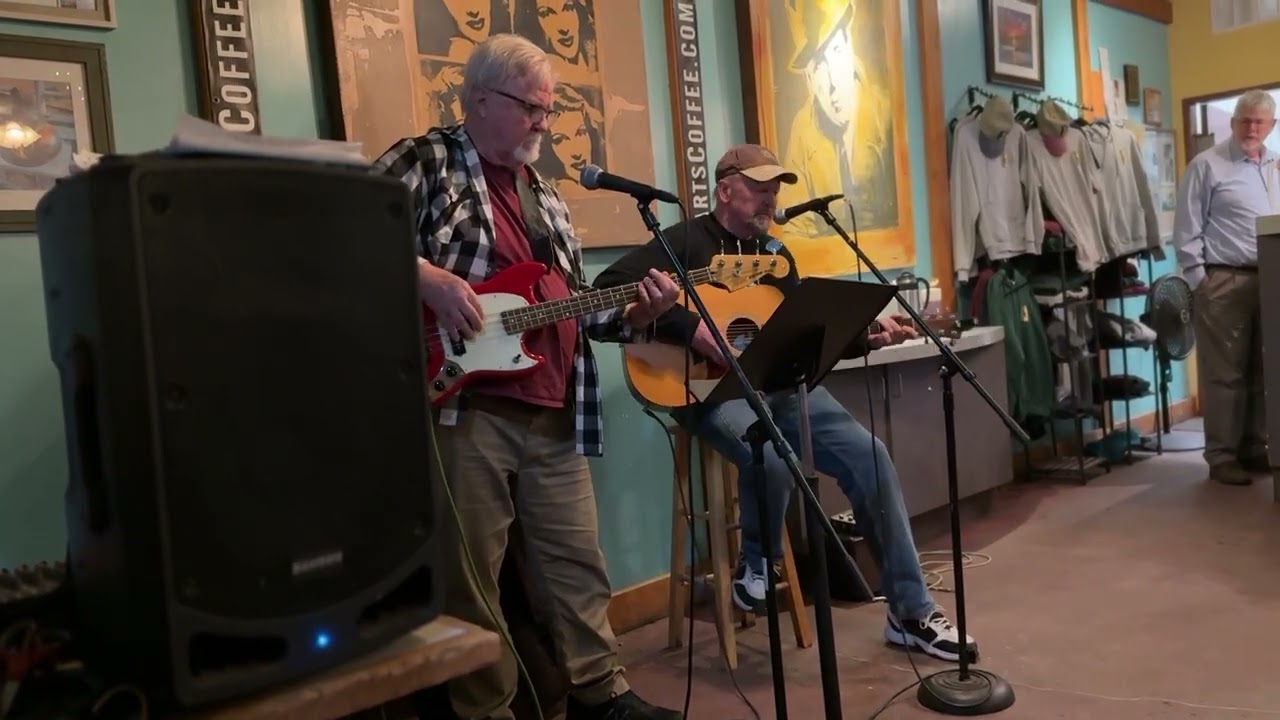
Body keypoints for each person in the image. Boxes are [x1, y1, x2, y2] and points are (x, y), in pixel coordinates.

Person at [372, 33, 683, 720]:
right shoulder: (427, 159)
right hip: (466, 407)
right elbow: (345, 232)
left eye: (548, 109)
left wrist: (638, 313)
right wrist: (427, 278)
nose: (544, 122)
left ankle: (602, 694)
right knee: (472, 577)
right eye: (530, 108)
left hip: (555, 407)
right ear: (480, 100)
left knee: (577, 565)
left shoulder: (545, 194)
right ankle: (487, 709)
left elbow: (572, 306)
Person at [593, 144, 979, 664]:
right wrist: (692, 329)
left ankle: (910, 613)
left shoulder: (775, 254)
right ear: (725, 189)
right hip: (704, 389)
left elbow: (796, 336)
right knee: (772, 455)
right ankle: (759, 560)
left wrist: (863, 338)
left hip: (778, 385)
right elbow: (608, 287)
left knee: (870, 456)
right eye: (759, 188)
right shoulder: (685, 240)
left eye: (774, 190)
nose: (770, 200)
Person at [1174, 88, 1280, 486]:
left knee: (1264, 368)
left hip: (1270, 277)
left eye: (1259, 122)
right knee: (1225, 373)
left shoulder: (1274, 165)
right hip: (1224, 279)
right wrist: (1200, 281)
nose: (1251, 128)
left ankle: (1254, 446)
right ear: (1233, 122)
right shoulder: (1207, 165)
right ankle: (1222, 456)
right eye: (1245, 120)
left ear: (1272, 126)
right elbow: (1186, 227)